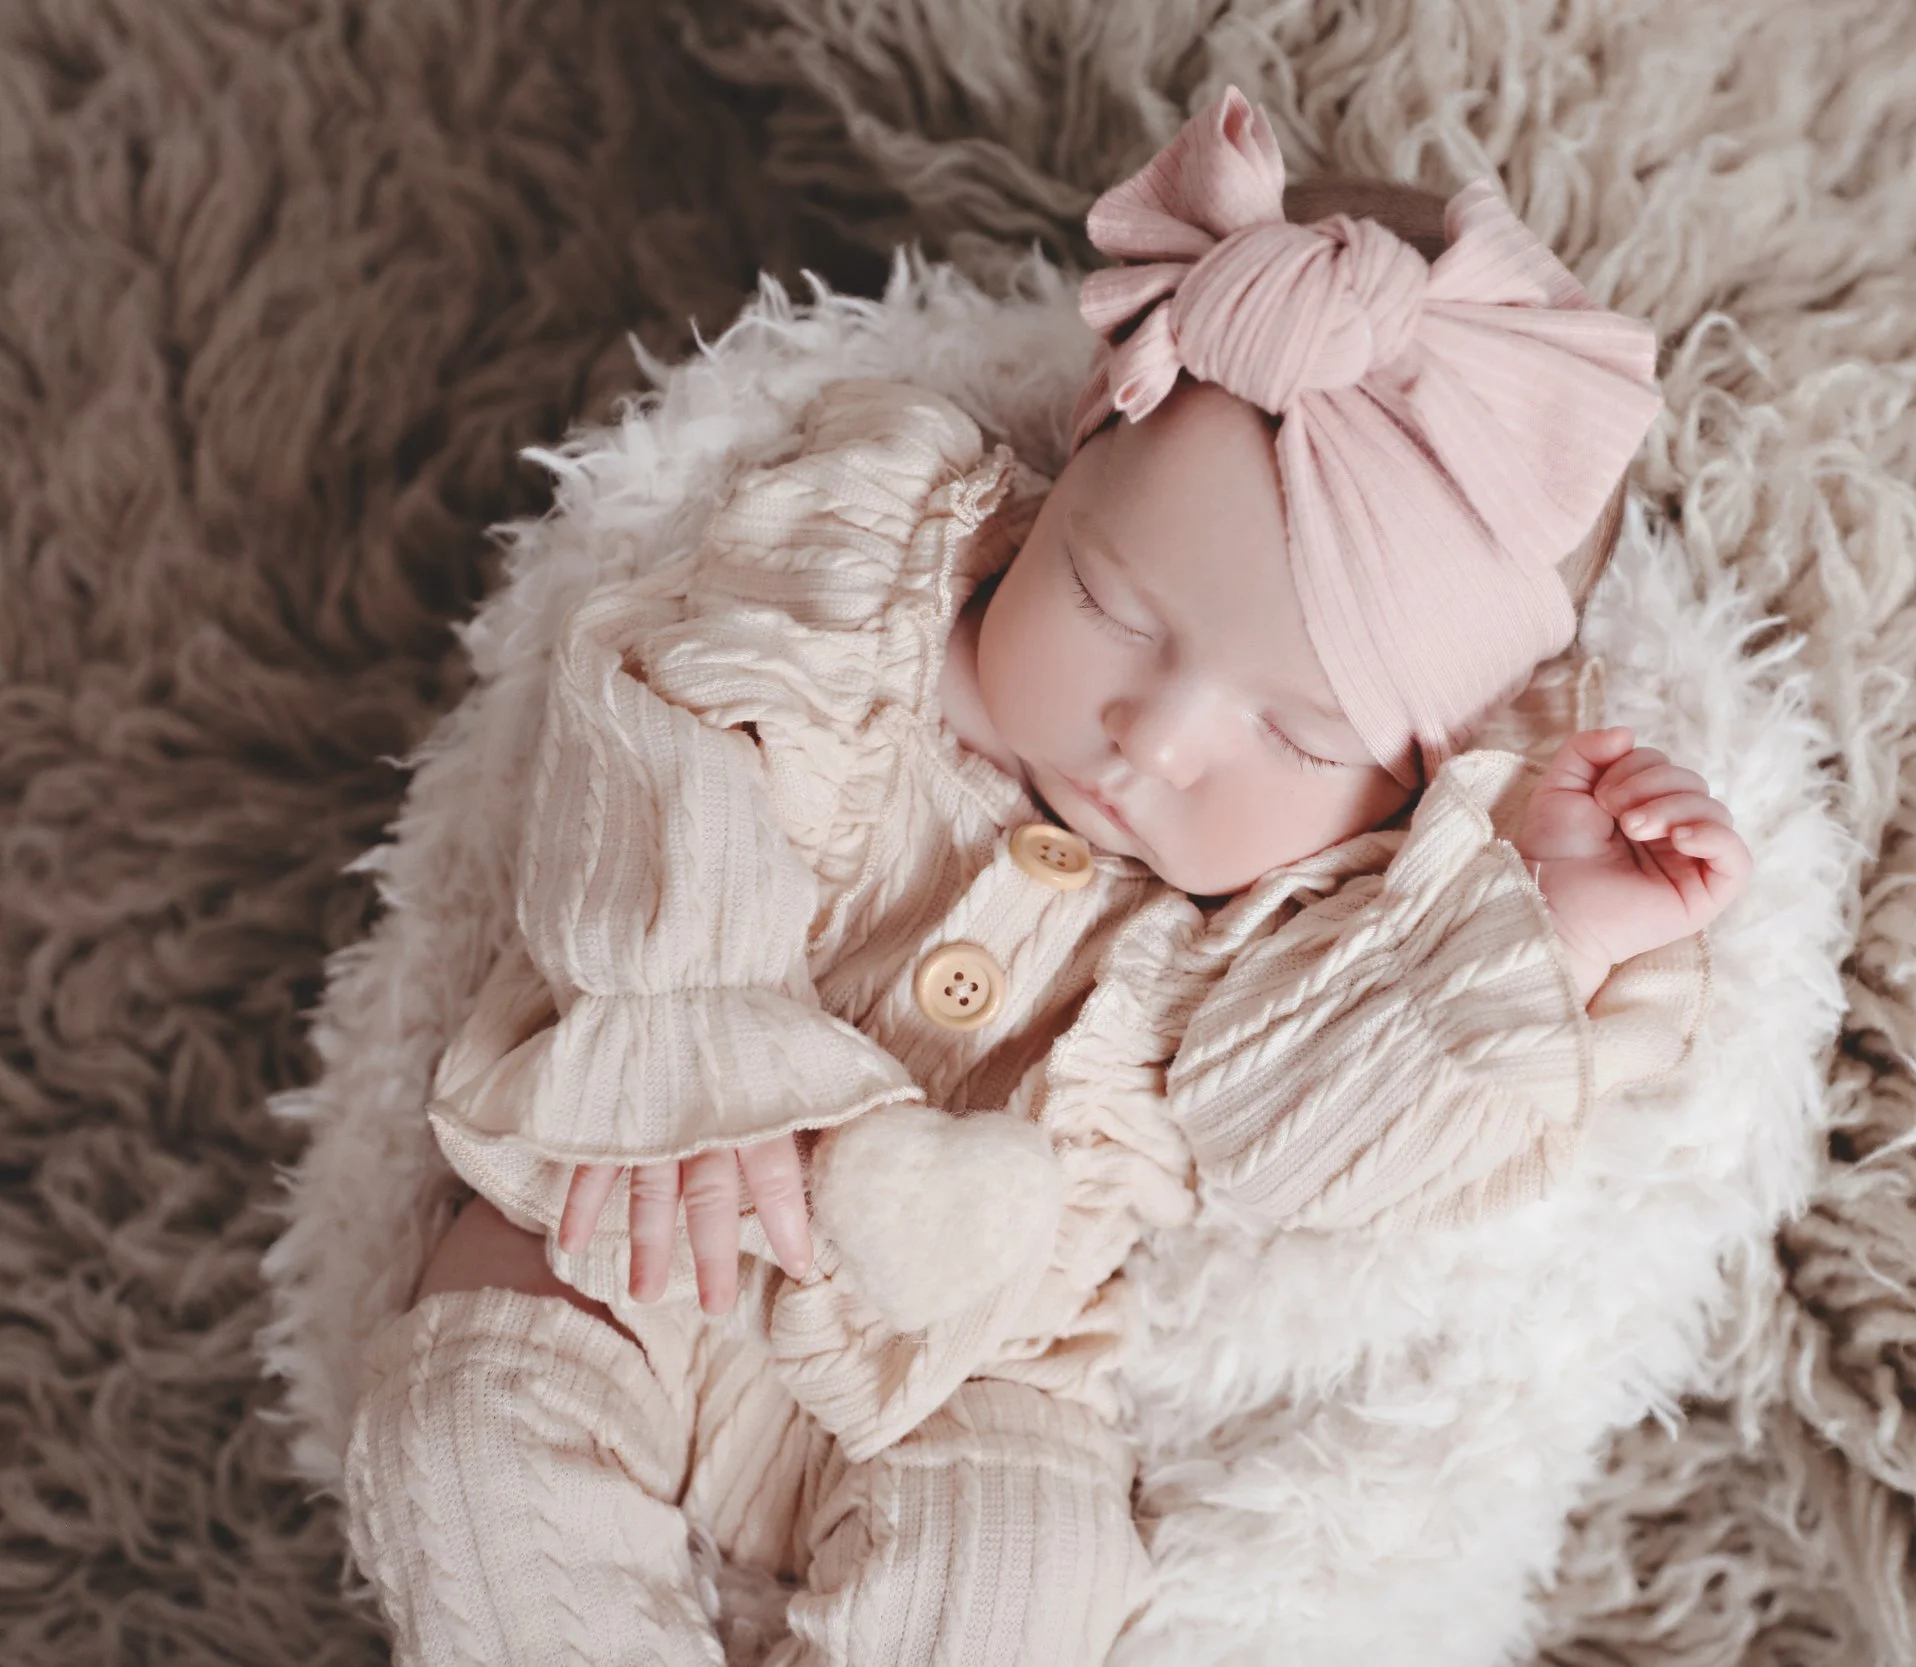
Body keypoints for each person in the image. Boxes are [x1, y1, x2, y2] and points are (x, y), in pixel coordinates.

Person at [341, 85, 1750, 1667]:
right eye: (1113, 604)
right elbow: (662, 727)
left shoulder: (1300, 928)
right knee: (457, 1435)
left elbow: (1312, 1134)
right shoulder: (868, 590)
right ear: (1073, 459)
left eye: (1290, 731)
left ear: (1412, 774)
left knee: (1025, 1575)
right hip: (629, 1214)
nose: (1154, 735)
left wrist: (1541, 930)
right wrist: (698, 1008)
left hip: (966, 1378)